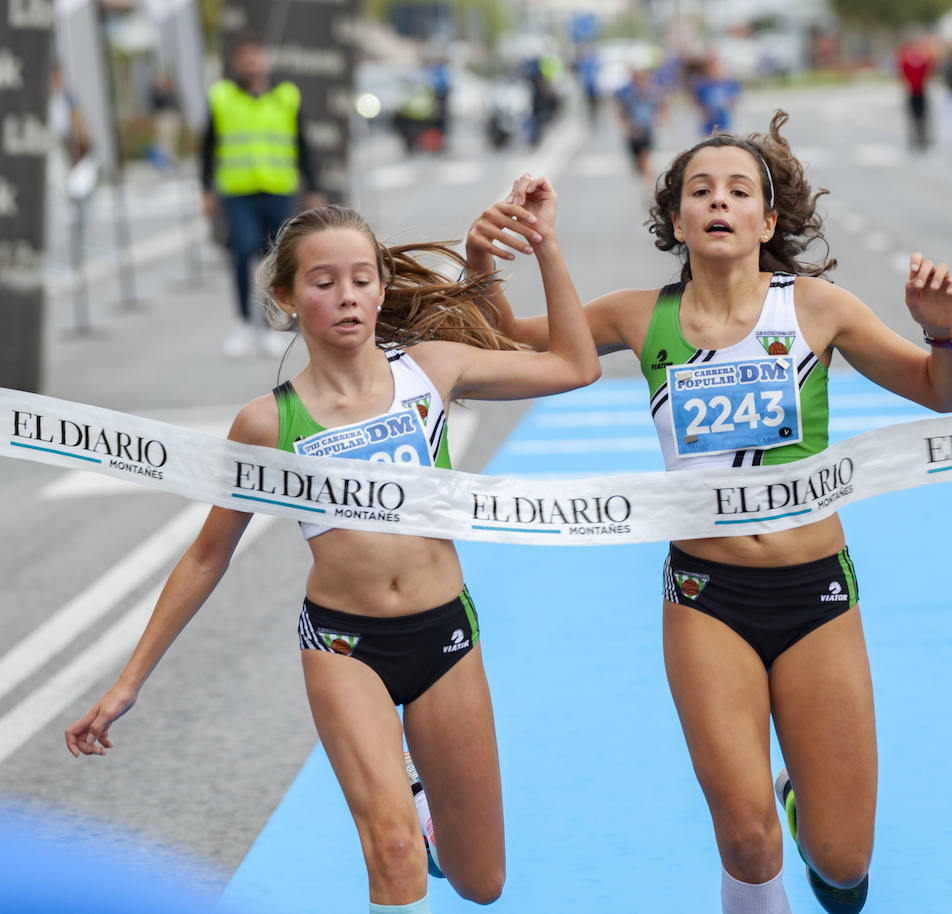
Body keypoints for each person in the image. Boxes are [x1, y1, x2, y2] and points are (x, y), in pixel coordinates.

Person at [467, 111, 952, 914]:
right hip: (707, 598)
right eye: (700, 191)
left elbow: (945, 397)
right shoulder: (642, 315)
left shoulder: (817, 308)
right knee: (745, 836)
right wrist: (492, 256)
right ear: (676, 220)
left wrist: (944, 334)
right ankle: (770, 835)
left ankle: (807, 806)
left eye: (740, 190)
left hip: (816, 595)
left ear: (768, 221)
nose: (718, 202)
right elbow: (514, 342)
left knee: (842, 865)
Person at [64, 179, 602, 914]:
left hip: (446, 634)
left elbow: (577, 365)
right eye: (324, 282)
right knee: (391, 853)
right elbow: (206, 555)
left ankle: (421, 801)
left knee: (483, 882)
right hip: (344, 645)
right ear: (287, 299)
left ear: (382, 291)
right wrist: (128, 682)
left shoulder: (432, 370)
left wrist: (545, 247)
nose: (347, 296)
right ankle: (400, 811)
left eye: (361, 278)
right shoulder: (266, 424)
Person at [201, 36, 326, 359]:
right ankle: (244, 322)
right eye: (245, 57)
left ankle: (274, 324)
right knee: (242, 253)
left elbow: (302, 143)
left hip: (278, 189)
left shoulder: (286, 96)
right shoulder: (223, 96)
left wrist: (313, 187)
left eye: (256, 56)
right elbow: (208, 146)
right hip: (238, 192)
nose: (251, 62)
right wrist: (206, 188)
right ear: (237, 63)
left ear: (265, 59)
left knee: (277, 259)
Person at [614, 68, 664, 198]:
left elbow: (660, 107)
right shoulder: (628, 96)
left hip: (646, 131)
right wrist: (627, 126)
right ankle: (648, 178)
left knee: (645, 159)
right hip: (633, 134)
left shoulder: (652, 94)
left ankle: (650, 187)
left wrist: (659, 119)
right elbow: (621, 112)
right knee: (638, 167)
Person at [896, 33, 933, 152]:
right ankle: (922, 139)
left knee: (912, 116)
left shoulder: (905, 56)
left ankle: (913, 139)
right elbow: (928, 67)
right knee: (922, 116)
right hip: (920, 89)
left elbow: (902, 71)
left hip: (911, 90)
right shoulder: (923, 55)